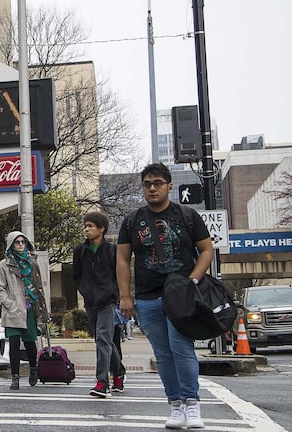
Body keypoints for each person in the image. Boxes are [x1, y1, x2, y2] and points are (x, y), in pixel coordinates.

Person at [116, 162, 213, 429]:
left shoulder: (187, 215)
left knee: (181, 348)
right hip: (147, 297)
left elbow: (206, 249)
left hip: (181, 295)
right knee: (163, 354)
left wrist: (193, 280)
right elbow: (123, 259)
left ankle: (192, 403)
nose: (152, 188)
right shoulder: (132, 221)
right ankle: (175, 405)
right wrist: (125, 297)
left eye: (158, 183)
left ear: (169, 186)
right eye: (147, 184)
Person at [73, 212, 126, 398]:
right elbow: (77, 275)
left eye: (90, 226)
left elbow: (120, 275)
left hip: (108, 302)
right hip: (90, 302)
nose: (86, 229)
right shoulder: (80, 250)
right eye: (85, 225)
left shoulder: (112, 250)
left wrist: (116, 295)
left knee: (103, 340)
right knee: (104, 340)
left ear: (101, 229)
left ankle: (102, 383)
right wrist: (84, 290)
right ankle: (119, 372)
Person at [0, 231, 50, 390]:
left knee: (30, 343)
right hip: (12, 309)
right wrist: (8, 303)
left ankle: (33, 367)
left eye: (22, 242)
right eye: (17, 242)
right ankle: (15, 377)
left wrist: (43, 309)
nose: (20, 245)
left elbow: (38, 287)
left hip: (28, 307)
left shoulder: (32, 263)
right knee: (13, 343)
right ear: (11, 244)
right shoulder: (4, 264)